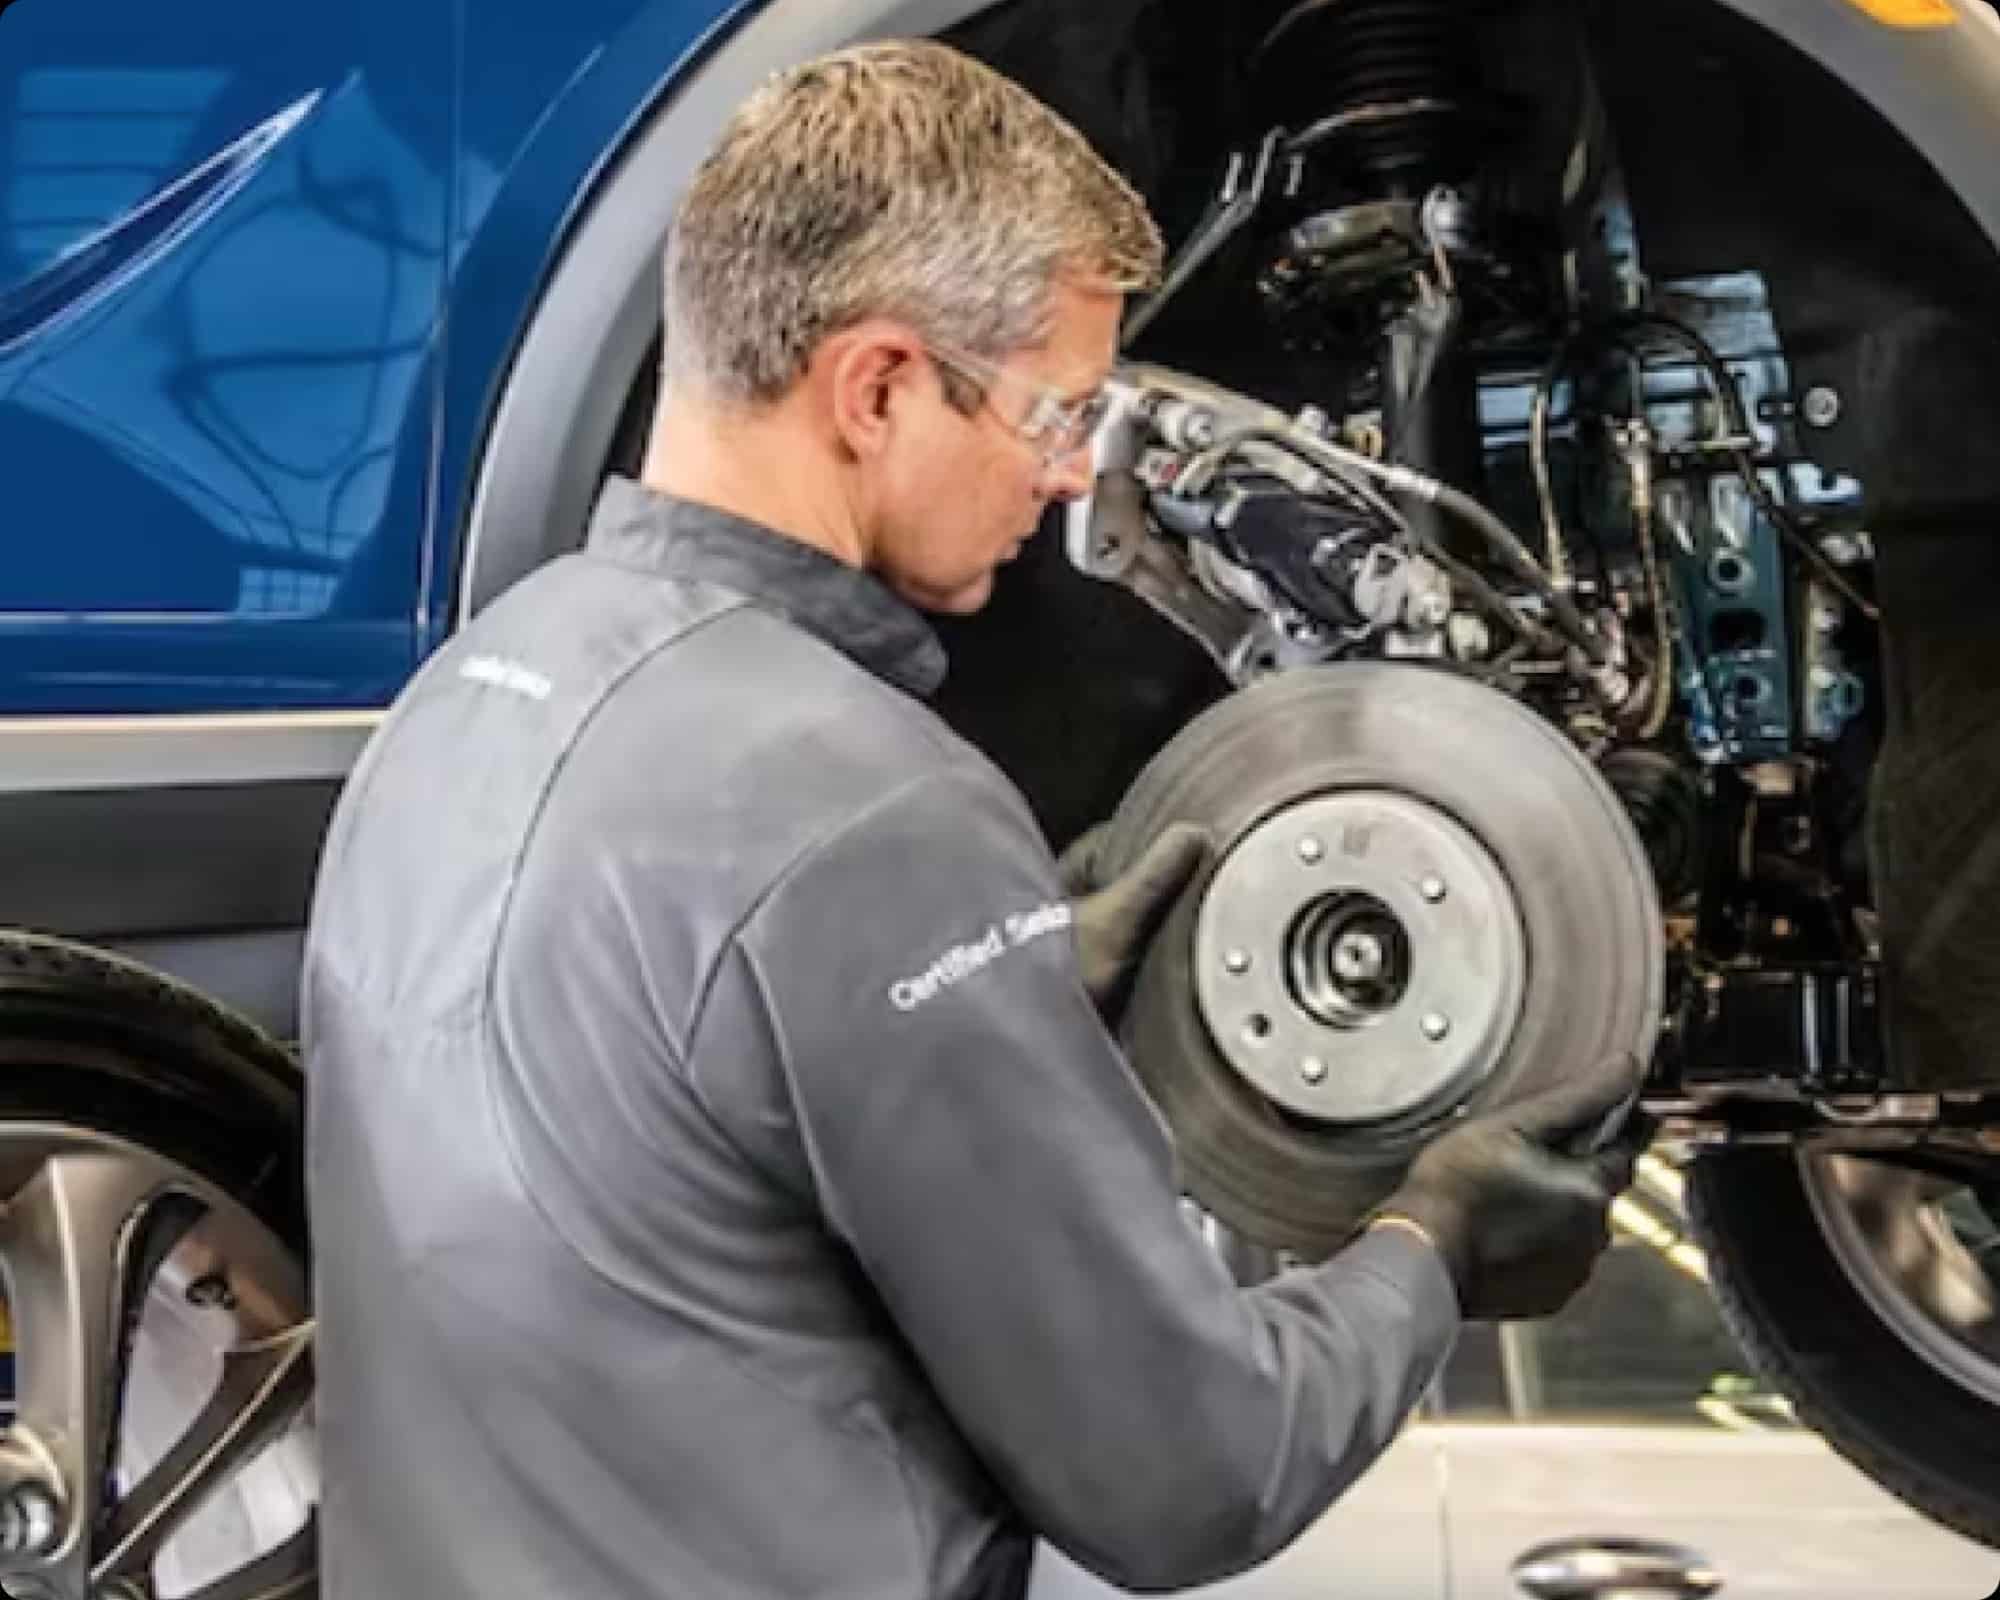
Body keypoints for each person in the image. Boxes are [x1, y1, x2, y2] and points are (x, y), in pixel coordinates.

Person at [303, 38, 1645, 1600]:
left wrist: (991, 1002)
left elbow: (650, 1150)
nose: (1074, 471)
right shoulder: (869, 808)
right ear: (875, 386)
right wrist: (1433, 1246)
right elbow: (1191, 1480)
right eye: (1054, 411)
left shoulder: (464, 697)